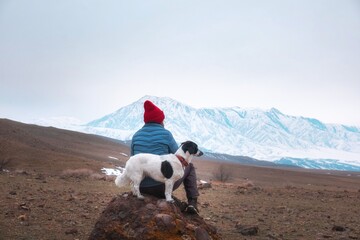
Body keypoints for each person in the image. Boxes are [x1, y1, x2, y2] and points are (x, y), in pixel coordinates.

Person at [131, 100, 199, 214]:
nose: (164, 121)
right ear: (160, 120)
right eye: (163, 119)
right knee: (189, 167)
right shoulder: (166, 134)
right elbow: (178, 159)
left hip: (142, 187)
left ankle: (174, 201)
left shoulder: (136, 136)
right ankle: (192, 203)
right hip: (160, 186)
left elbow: (133, 161)